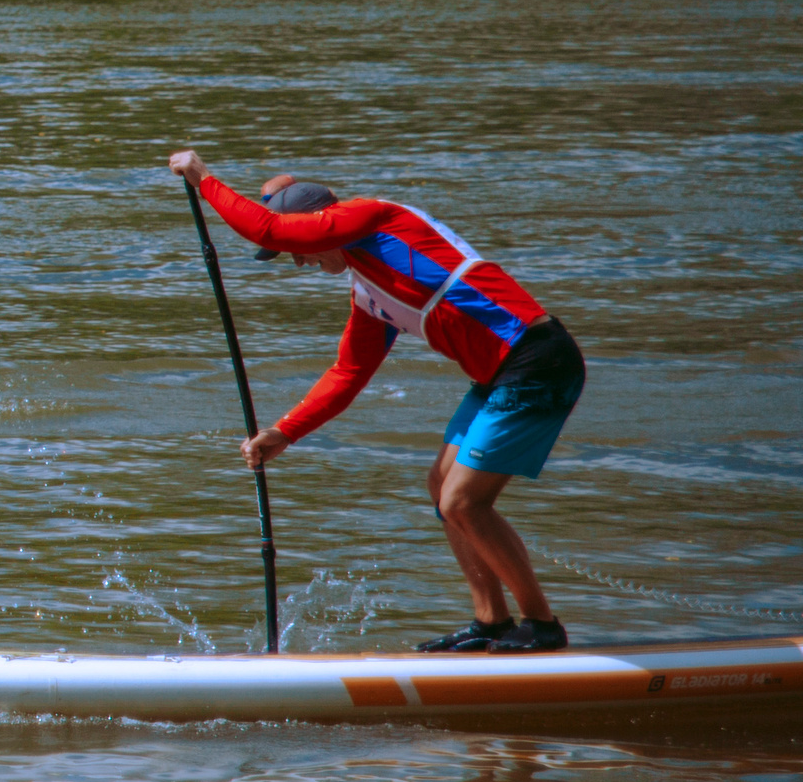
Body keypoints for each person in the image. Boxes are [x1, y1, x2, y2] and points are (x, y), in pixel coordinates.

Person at [167, 150, 586, 655]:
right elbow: (348, 373)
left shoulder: (375, 219)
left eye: (301, 249)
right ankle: (491, 623)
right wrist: (284, 432)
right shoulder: (368, 291)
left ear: (320, 225)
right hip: (497, 373)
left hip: (537, 358)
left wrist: (202, 177)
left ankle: (542, 626)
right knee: (440, 488)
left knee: (463, 501)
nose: (299, 262)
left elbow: (270, 231)